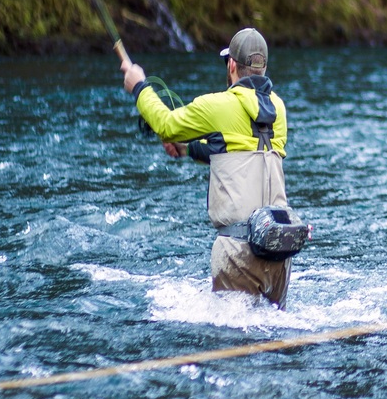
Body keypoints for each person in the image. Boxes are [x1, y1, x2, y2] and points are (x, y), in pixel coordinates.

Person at [121, 28, 293, 308]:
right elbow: (241, 150)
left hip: (238, 251)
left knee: (232, 341)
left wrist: (139, 86)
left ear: (232, 65)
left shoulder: (217, 105)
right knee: (273, 338)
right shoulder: (279, 110)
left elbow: (166, 124)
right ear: (263, 69)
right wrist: (189, 149)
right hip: (279, 252)